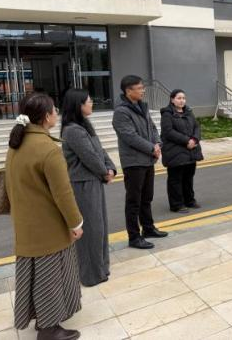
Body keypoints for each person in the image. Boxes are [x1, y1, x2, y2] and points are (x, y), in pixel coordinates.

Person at [5, 93, 83, 340]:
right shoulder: (48, 149)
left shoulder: (16, 143)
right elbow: (63, 193)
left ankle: (42, 320)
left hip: (26, 224)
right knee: (50, 278)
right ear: (47, 116)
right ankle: (49, 329)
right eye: (54, 110)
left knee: (34, 277)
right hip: (48, 226)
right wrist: (76, 223)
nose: (56, 113)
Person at [61, 89, 116, 287]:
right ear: (79, 105)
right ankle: (91, 274)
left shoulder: (83, 125)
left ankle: (100, 268)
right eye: (89, 101)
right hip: (83, 184)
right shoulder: (72, 130)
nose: (92, 103)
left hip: (93, 180)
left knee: (99, 227)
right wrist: (104, 172)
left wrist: (110, 168)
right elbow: (89, 156)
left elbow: (99, 150)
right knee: (91, 229)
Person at [112, 75, 167, 250]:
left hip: (148, 159)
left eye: (143, 87)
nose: (143, 90)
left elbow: (153, 128)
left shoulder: (142, 107)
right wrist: (151, 148)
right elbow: (130, 136)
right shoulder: (121, 112)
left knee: (146, 197)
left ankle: (148, 228)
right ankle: (134, 237)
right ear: (128, 91)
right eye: (140, 88)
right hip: (134, 162)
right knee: (134, 201)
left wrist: (157, 143)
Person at [160, 89, 203, 214]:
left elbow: (196, 127)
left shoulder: (188, 112)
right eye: (179, 98)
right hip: (175, 151)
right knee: (175, 179)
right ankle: (177, 204)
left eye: (183, 98)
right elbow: (168, 132)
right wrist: (186, 141)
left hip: (191, 150)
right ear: (172, 99)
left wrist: (194, 139)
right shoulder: (167, 114)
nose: (182, 101)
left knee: (188, 177)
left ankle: (189, 200)